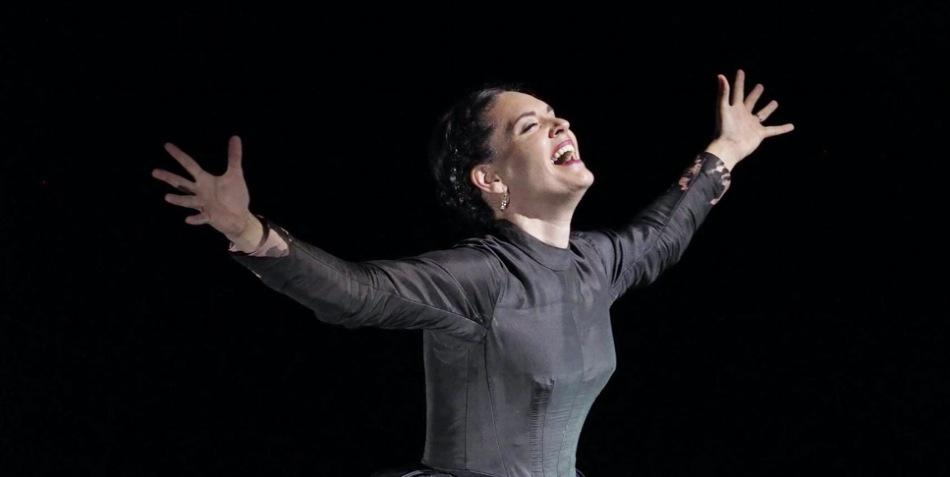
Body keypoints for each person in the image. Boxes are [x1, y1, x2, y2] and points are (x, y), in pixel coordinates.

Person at [151, 70, 794, 477]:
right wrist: (246, 229)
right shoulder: (479, 276)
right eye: (531, 125)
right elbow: (358, 293)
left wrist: (729, 147)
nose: (561, 123)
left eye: (556, 114)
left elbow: (663, 232)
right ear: (490, 179)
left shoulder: (597, 263)